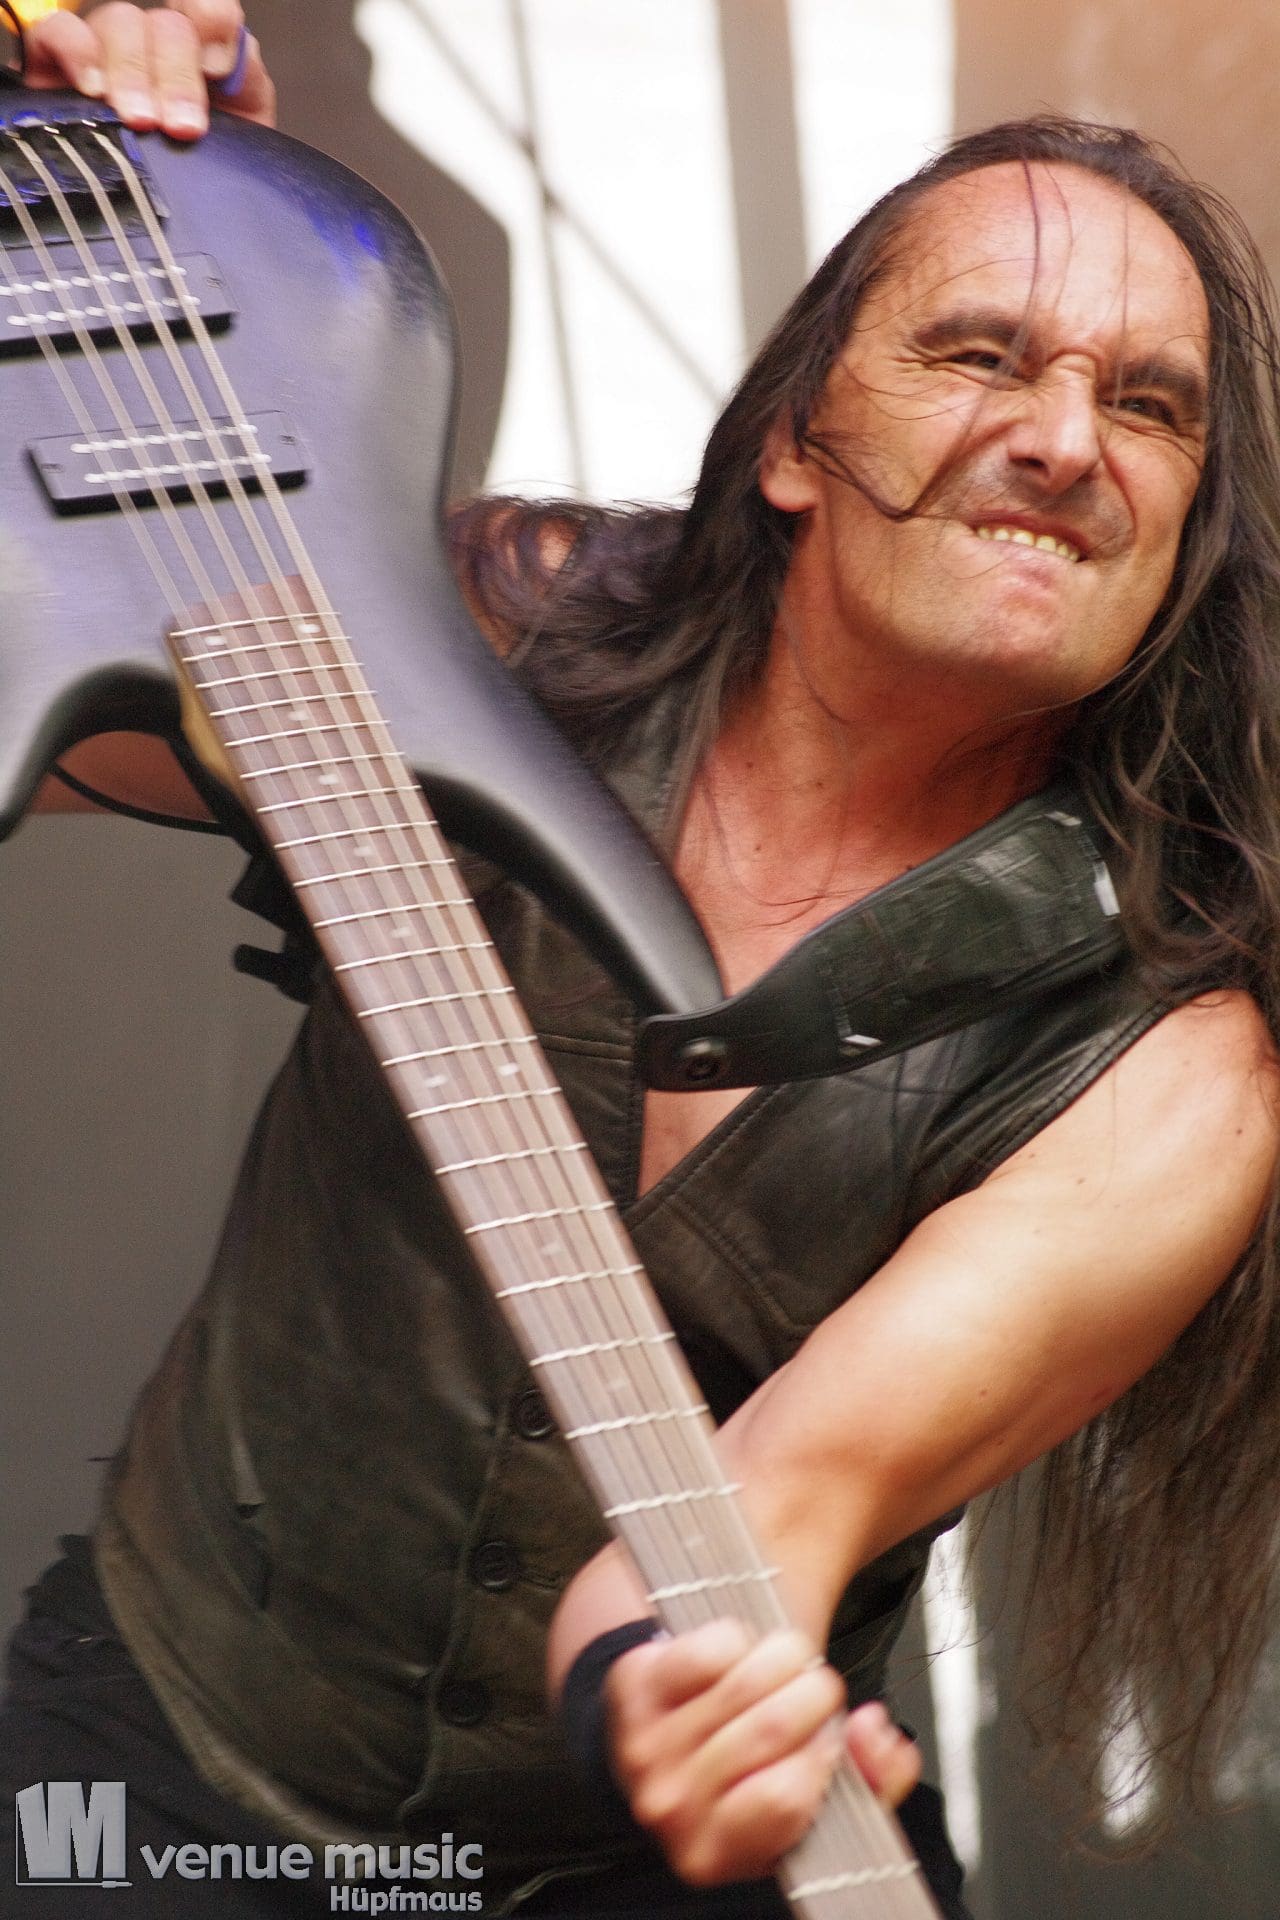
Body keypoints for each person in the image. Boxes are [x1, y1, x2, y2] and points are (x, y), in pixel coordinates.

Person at [7, 6, 1280, 1917]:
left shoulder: (1169, 1071)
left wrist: (690, 1697)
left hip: (645, 1853)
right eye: (979, 355)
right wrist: (138, 235)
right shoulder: (501, 635)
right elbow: (53, 709)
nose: (1065, 439)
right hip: (158, 1757)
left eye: (1154, 405)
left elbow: (768, 1519)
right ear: (792, 442)